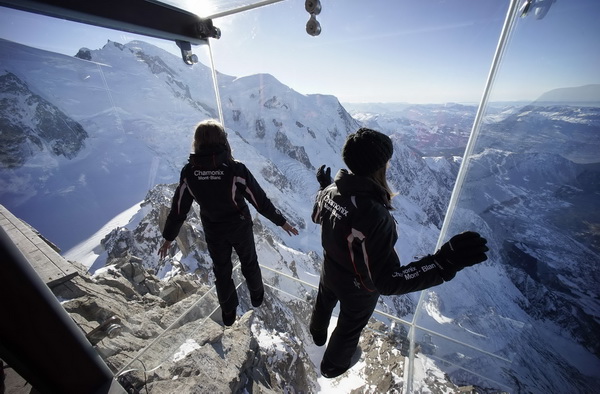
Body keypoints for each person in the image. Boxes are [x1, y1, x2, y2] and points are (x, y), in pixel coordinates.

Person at [310, 127, 489, 378]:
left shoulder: (329, 192)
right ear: (381, 166)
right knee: (348, 327)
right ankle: (333, 367)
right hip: (359, 288)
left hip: (330, 269)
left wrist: (324, 188)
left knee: (324, 301)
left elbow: (318, 217)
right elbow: (387, 281)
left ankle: (317, 333)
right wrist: (442, 263)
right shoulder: (374, 213)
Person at [158, 119, 299, 326]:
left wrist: (169, 237)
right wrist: (281, 222)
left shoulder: (189, 172)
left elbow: (179, 208)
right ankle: (257, 297)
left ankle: (228, 312)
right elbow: (259, 200)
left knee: (221, 271)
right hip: (239, 226)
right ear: (223, 140)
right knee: (249, 262)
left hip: (213, 229)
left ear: (197, 143)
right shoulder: (234, 169)